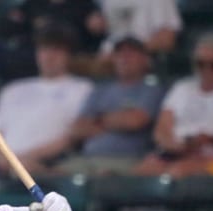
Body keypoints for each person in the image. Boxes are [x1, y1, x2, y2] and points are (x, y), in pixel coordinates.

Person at [0, 25, 93, 175]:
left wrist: (24, 159)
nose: (49, 56)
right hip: (2, 166)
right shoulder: (13, 89)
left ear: (68, 55)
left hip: (49, 165)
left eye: (56, 50)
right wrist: (2, 159)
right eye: (44, 49)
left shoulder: (82, 88)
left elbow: (74, 135)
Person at [58, 36, 164, 175]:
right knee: (49, 178)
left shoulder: (151, 89)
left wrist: (97, 121)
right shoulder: (100, 90)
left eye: (131, 54)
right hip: (87, 159)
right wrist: (115, 122)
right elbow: (77, 129)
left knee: (106, 178)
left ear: (144, 59)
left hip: (126, 161)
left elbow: (134, 121)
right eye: (119, 54)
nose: (124, 58)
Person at [134, 32, 213, 178]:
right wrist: (177, 147)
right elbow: (161, 130)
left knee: (179, 171)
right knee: (143, 171)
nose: (206, 70)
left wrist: (209, 140)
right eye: (201, 64)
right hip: (178, 151)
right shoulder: (182, 88)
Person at [0, 0, 105, 80]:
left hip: (69, 55)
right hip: (30, 55)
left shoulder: (84, 5)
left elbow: (97, 37)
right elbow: (5, 29)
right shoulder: (35, 4)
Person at [98, 0, 182, 56]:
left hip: (145, 61)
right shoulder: (108, 2)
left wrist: (127, 56)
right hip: (106, 61)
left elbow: (167, 40)